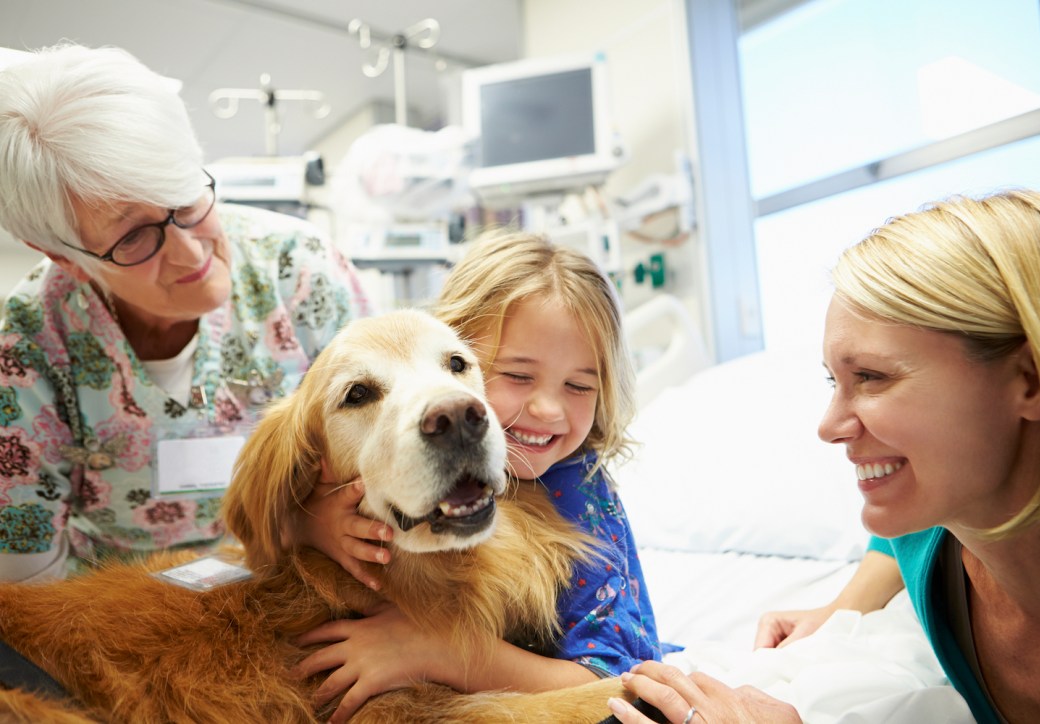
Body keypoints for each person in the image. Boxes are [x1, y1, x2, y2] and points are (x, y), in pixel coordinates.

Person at [606, 190, 1040, 724]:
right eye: (834, 381)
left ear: (1031, 379)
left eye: (872, 377)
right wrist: (843, 607)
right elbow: (896, 537)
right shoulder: (932, 526)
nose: (829, 427)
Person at [0, 42, 388, 583]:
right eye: (133, 237)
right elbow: (26, 575)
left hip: (305, 579)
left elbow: (394, 445)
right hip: (122, 612)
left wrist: (304, 526)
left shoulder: (298, 269)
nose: (191, 253)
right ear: (66, 258)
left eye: (184, 201)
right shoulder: (30, 347)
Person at [290, 231, 665, 723]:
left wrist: (438, 649)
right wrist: (308, 523)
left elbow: (618, 685)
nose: (548, 410)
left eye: (578, 385)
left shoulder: (581, 495)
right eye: (516, 376)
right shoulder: (416, 443)